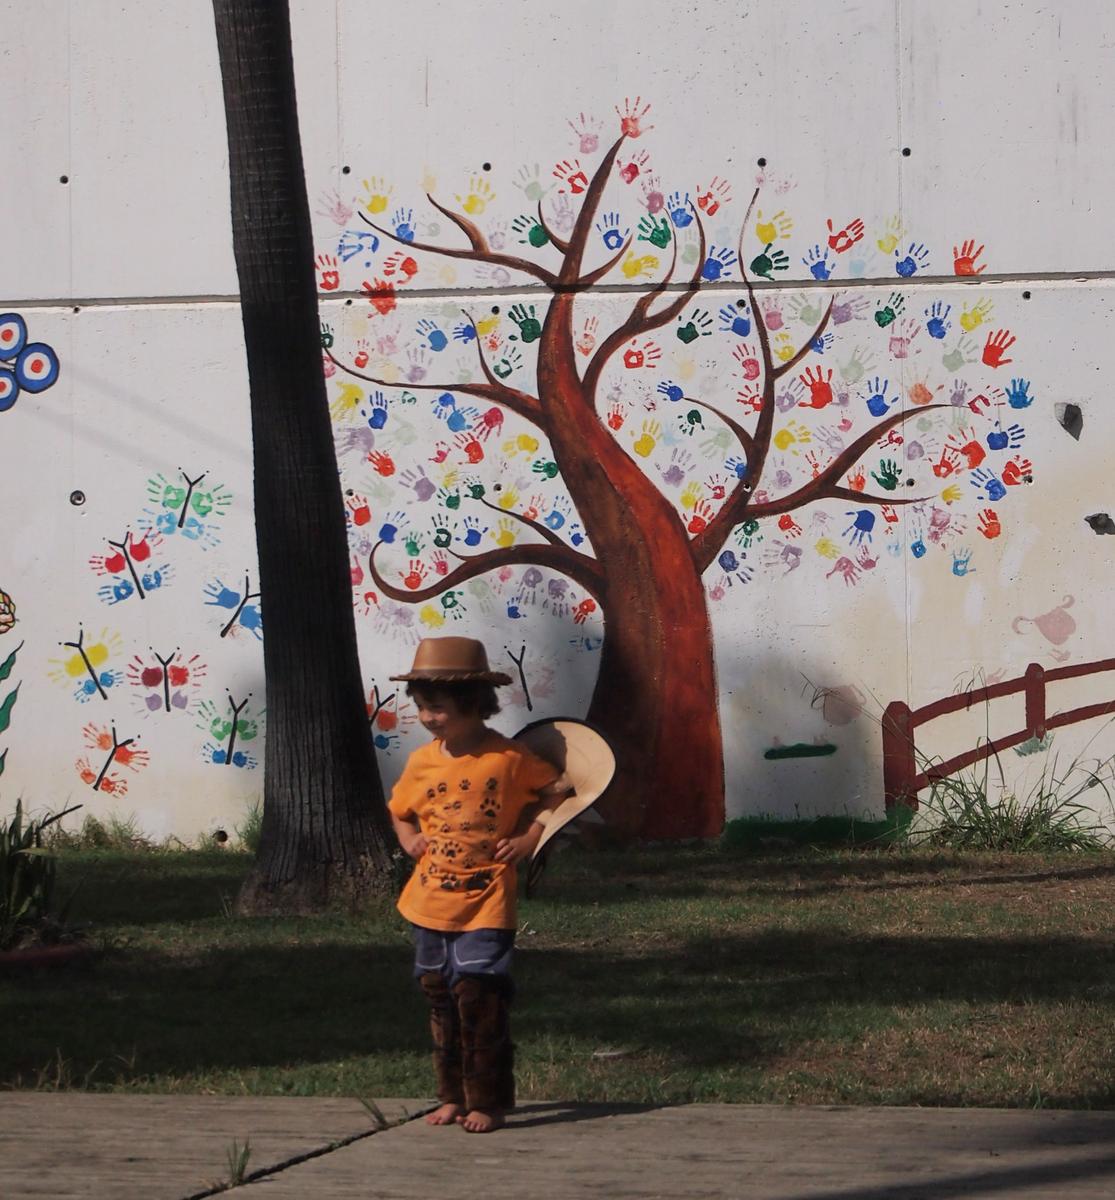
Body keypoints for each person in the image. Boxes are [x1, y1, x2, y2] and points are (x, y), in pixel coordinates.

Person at [387, 636, 571, 1134]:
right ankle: (450, 1096)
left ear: (472, 703)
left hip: (487, 901)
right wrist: (409, 839)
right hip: (428, 902)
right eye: (422, 708)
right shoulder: (423, 762)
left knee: (479, 997)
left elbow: (559, 793)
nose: (428, 718)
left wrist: (531, 836)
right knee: (439, 996)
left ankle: (486, 1100)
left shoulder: (510, 759)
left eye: (438, 708)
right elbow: (400, 812)